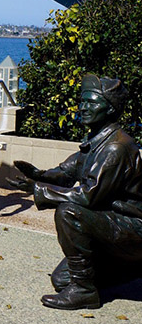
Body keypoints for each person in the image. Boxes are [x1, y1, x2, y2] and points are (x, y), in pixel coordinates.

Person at [8, 75, 142, 310]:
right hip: (115, 223)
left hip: (133, 227)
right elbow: (67, 172)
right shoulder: (97, 140)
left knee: (69, 212)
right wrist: (39, 174)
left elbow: (88, 196)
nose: (83, 107)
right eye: (83, 101)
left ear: (110, 109)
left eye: (91, 103)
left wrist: (39, 191)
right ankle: (130, 266)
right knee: (60, 280)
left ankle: (84, 291)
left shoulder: (115, 148)